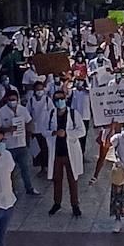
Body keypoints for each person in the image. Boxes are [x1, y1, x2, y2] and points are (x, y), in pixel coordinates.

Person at [47, 89, 85, 218]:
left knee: (72, 180)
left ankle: (75, 204)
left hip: (70, 153)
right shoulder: (51, 114)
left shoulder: (74, 114)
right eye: (56, 99)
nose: (59, 101)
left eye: (61, 98)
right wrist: (53, 133)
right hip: (57, 152)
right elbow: (44, 130)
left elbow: (82, 131)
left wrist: (67, 134)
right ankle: (57, 203)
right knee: (57, 180)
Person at [0, 88, 39, 196]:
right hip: (8, 146)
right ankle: (11, 189)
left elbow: (29, 121)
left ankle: (29, 188)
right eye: (10, 99)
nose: (12, 101)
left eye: (14, 99)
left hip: (21, 144)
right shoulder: (2, 112)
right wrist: (7, 129)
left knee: (25, 168)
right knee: (10, 170)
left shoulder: (22, 110)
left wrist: (29, 129)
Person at [28, 80, 52, 173]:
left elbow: (52, 112)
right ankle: (41, 168)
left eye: (41, 89)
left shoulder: (47, 100)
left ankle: (47, 167)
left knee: (46, 148)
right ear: (34, 90)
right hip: (35, 129)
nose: (39, 91)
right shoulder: (31, 100)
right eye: (37, 89)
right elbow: (27, 113)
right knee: (37, 149)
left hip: (45, 129)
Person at [70, 76, 92, 160]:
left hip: (85, 117)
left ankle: (82, 155)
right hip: (74, 117)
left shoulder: (87, 92)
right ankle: (74, 155)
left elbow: (94, 95)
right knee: (75, 136)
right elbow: (66, 90)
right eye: (78, 80)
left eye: (81, 80)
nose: (79, 82)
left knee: (83, 136)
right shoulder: (73, 91)